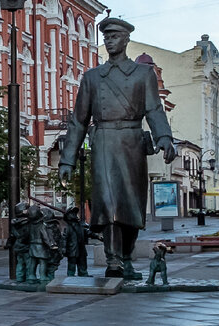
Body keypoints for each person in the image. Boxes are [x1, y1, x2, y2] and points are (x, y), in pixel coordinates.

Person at [57, 17, 176, 280]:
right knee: (108, 204)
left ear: (126, 40)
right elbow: (78, 120)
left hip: (133, 142)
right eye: (106, 37)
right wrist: (67, 160)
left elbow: (154, 110)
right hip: (104, 142)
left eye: (114, 36)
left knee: (131, 205)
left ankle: (126, 258)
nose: (109, 41)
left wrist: (165, 138)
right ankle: (113, 261)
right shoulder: (92, 77)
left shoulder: (143, 74)